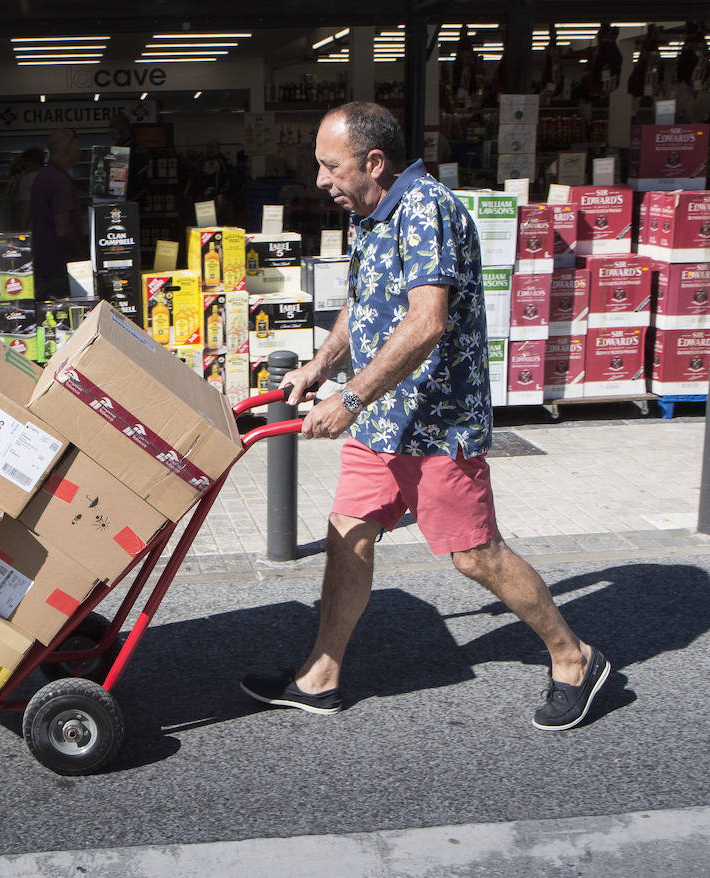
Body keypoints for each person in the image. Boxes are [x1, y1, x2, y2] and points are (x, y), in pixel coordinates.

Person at [240, 102, 609, 731]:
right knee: (347, 535)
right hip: (383, 423)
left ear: (373, 162)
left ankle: (575, 657)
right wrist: (318, 369)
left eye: (331, 166)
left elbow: (426, 322)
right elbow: (361, 313)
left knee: (475, 555)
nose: (322, 180)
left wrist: (349, 397)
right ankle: (320, 674)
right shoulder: (367, 215)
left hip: (436, 423)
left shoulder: (426, 210)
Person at [29, 128, 84, 302]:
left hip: (44, 264)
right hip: (60, 268)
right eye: (77, 144)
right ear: (67, 148)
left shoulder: (44, 177)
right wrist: (81, 256)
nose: (79, 149)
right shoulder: (59, 181)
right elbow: (63, 229)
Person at [9, 147, 44, 231]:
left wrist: (21, 230)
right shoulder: (50, 177)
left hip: (32, 230)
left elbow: (24, 208)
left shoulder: (27, 179)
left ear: (27, 162)